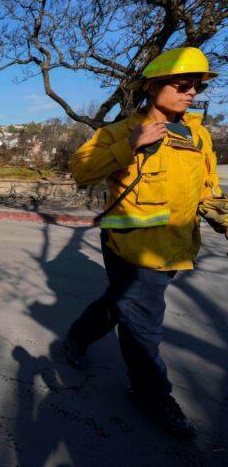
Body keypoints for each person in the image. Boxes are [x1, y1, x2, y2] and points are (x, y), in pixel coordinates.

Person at [63, 47, 228, 438]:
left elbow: (208, 192)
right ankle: (151, 393)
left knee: (119, 303)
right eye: (182, 85)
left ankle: (77, 336)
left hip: (176, 248)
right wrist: (130, 144)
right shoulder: (119, 132)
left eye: (196, 87)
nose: (191, 93)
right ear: (153, 88)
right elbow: (81, 172)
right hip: (130, 248)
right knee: (143, 325)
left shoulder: (199, 135)